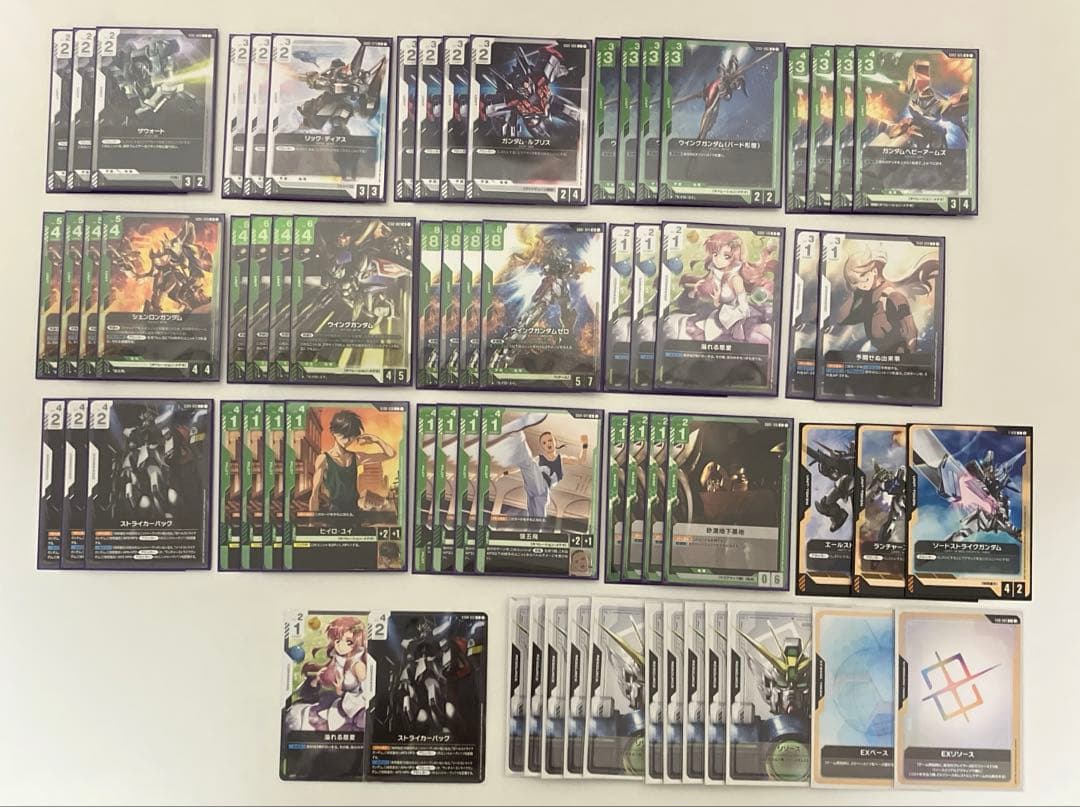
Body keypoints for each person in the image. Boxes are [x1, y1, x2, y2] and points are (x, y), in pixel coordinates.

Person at [309, 410, 396, 514]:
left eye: (351, 436)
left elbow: (390, 454)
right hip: (334, 514)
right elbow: (314, 495)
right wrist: (312, 521)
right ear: (334, 433)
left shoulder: (356, 457)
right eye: (344, 435)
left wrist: (377, 440)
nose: (348, 440)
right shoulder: (323, 459)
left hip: (355, 512)